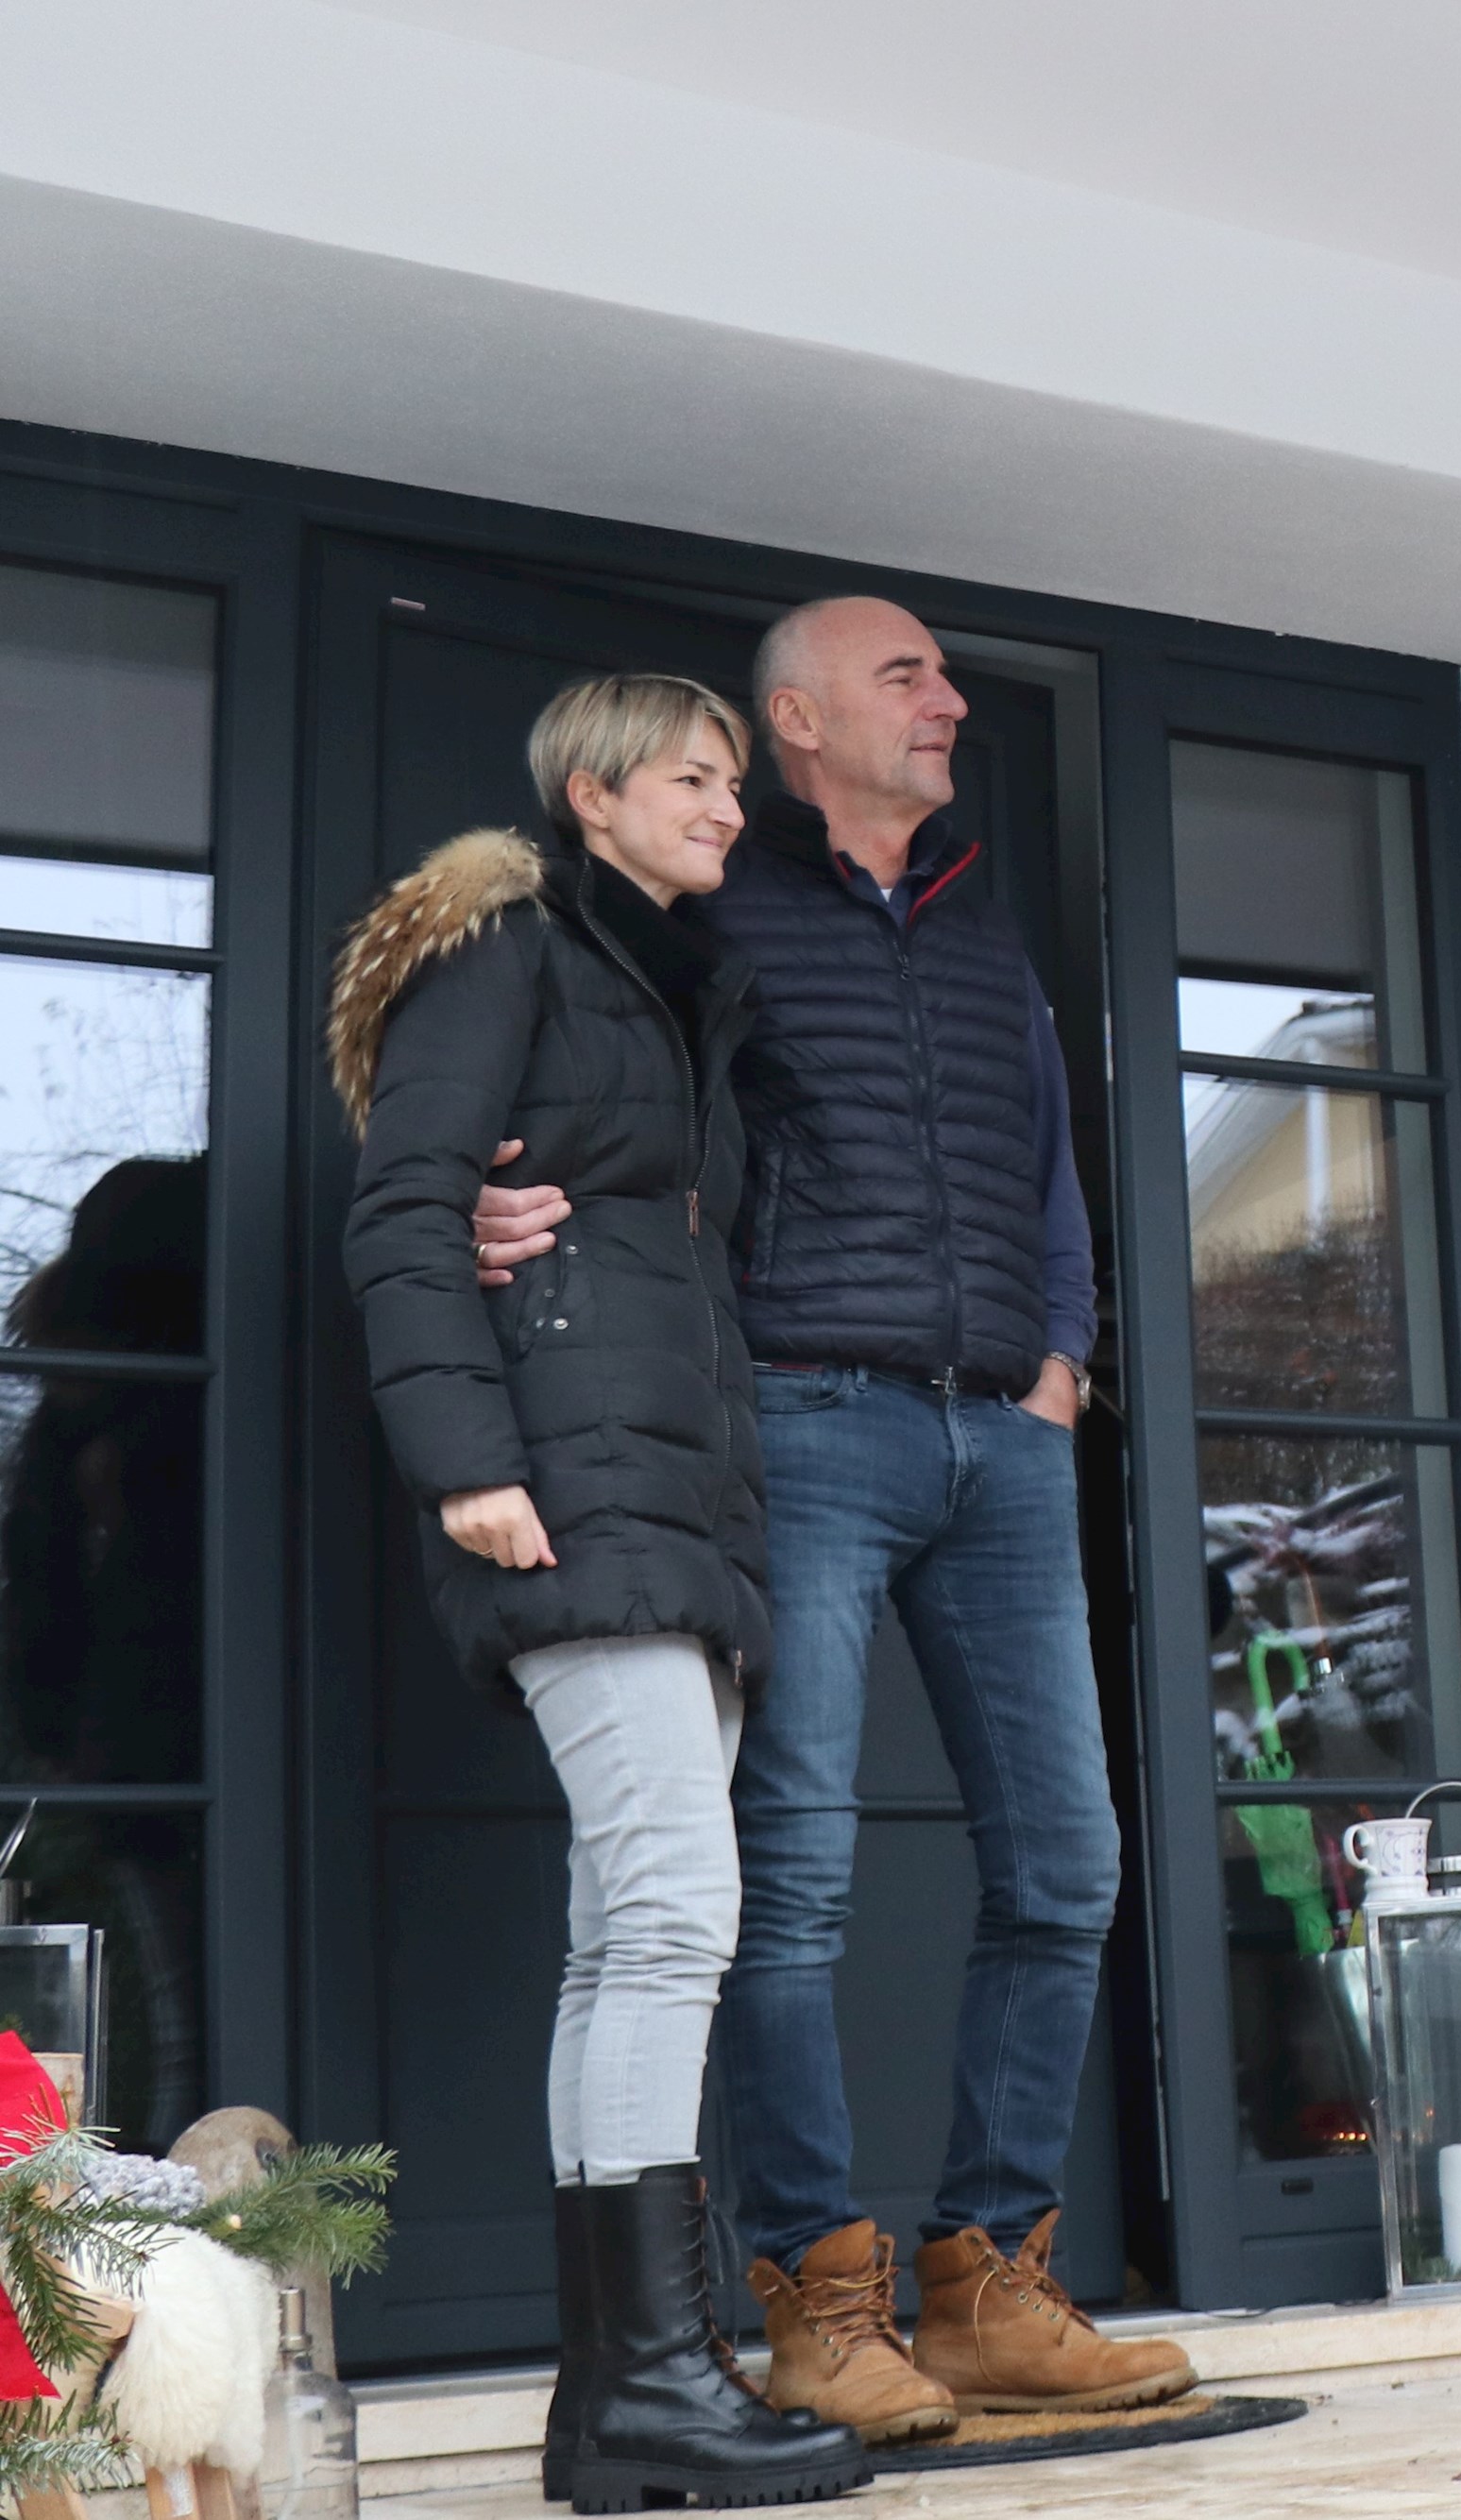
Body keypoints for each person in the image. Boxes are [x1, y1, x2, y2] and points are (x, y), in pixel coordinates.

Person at [475, 599, 1186, 2436]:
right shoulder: (715, 897)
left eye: (946, 678)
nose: (948, 702)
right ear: (797, 719)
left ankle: (991, 2280)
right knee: (784, 1877)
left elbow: (1045, 1146)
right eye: (908, 676)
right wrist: (503, 1203)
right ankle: (818, 2299)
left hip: (1002, 1441)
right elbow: (602, 1096)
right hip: (800, 1421)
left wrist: (1060, 1355)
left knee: (1065, 1864)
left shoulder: (977, 910)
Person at [337, 675, 867, 2511]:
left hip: (673, 1495)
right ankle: (651, 2377)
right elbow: (407, 1201)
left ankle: (614, 2396)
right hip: (577, 1487)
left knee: (619, 1929)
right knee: (671, 1917)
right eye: (698, 778)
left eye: (737, 777)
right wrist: (466, 1459)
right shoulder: (511, 952)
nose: (731, 806)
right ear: (593, 790)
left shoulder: (659, 989)